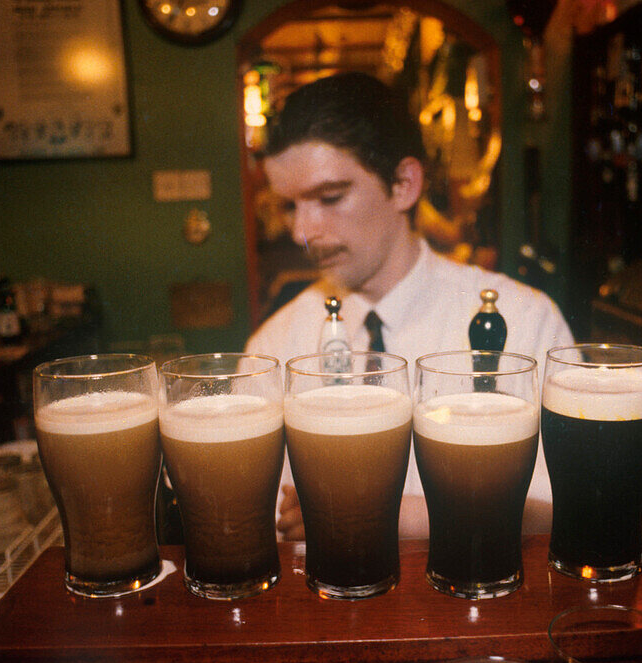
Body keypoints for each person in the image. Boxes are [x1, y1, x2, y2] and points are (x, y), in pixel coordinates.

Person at [245, 72, 573, 541]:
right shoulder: (275, 343)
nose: (305, 231)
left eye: (330, 197)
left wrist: (399, 516)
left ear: (404, 184)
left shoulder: (525, 321)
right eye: (290, 207)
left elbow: (561, 506)